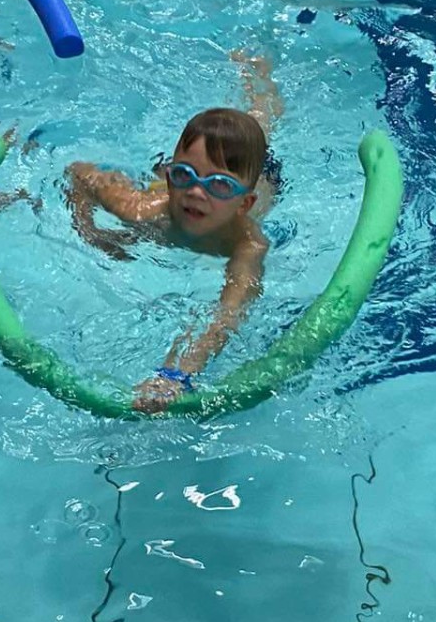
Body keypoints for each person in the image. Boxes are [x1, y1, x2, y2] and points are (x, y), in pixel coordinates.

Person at [64, 53, 283, 413]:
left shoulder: (247, 244)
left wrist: (176, 374)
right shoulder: (142, 209)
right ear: (170, 177)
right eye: (184, 176)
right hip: (183, 184)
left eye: (219, 186)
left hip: (261, 177)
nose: (196, 192)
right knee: (222, 149)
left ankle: (257, 74)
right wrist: (91, 232)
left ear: (243, 204)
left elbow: (227, 315)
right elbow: (79, 173)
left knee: (259, 123)